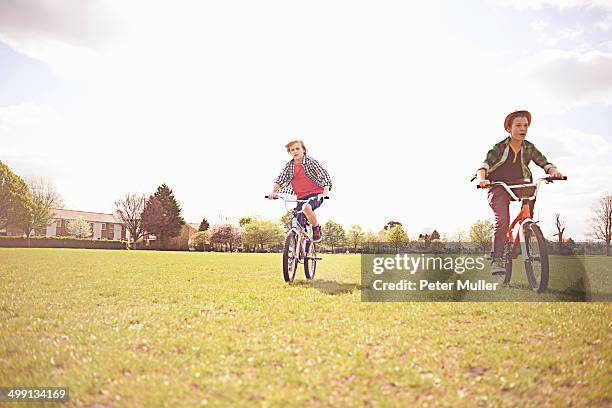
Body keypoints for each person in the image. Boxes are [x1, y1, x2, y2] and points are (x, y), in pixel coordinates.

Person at [475, 110, 562, 274]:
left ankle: (523, 236)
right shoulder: (500, 147)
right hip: (498, 185)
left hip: (520, 184)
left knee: (530, 203)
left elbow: (544, 162)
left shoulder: (529, 147)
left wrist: (554, 172)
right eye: (518, 125)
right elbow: (484, 165)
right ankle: (497, 258)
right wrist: (482, 179)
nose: (523, 128)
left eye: (526, 125)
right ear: (509, 128)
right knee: (503, 220)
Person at [268, 140, 332, 242]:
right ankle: (300, 246)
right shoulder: (289, 166)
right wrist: (273, 192)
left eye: (297, 148)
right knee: (297, 219)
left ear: (304, 150)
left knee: (306, 208)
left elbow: (325, 177)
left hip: (315, 195)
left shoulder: (310, 162)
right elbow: (280, 180)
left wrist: (324, 193)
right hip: (300, 197)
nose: (295, 151)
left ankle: (316, 229)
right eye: (292, 150)